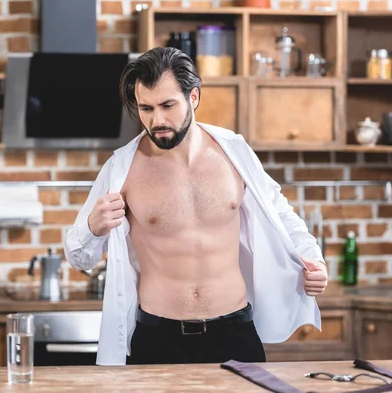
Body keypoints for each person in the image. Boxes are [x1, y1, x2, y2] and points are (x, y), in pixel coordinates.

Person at [64, 47, 328, 366]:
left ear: (193, 98)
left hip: (235, 333)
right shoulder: (121, 168)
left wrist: (312, 258)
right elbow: (79, 256)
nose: (156, 120)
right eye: (146, 108)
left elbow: (282, 215)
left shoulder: (234, 153)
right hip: (157, 339)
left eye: (167, 105)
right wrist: (93, 227)